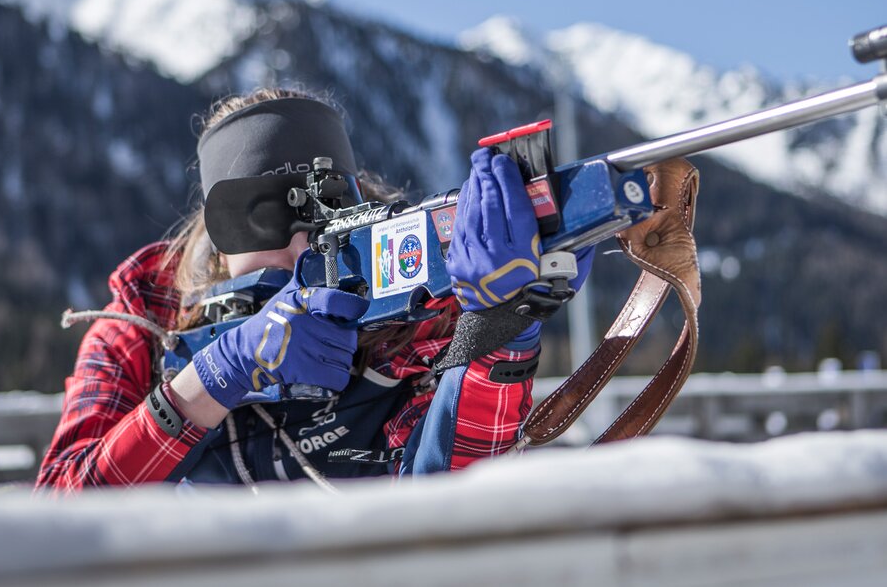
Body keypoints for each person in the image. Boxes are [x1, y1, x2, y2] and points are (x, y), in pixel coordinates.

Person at [36, 87, 592, 490]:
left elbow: (451, 492)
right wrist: (212, 377)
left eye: (325, 229)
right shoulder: (140, 321)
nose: (304, 255)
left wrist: (496, 327)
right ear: (218, 237)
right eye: (269, 225)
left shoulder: (406, 303)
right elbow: (61, 509)